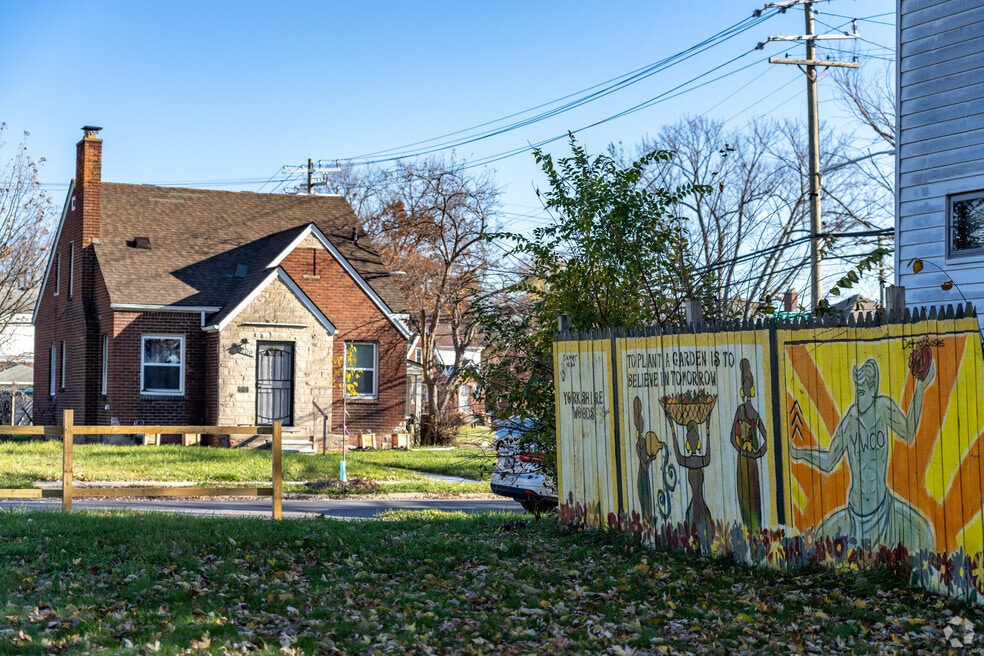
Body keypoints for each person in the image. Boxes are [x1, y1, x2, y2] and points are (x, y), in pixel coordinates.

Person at [790, 356, 935, 551]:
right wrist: (799, 454)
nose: (858, 398)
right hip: (855, 516)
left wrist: (920, 388)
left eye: (861, 392)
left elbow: (909, 432)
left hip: (885, 513)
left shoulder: (883, 408)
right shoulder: (851, 420)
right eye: (856, 392)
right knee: (820, 544)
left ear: (873, 389)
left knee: (923, 536)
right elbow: (829, 461)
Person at [730, 358, 767, 533]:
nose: (746, 389)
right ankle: (747, 529)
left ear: (751, 389)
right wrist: (742, 450)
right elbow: (732, 437)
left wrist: (757, 454)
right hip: (742, 461)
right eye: (744, 385)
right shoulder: (740, 410)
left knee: (754, 496)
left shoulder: (754, 413)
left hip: (751, 463)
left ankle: (756, 530)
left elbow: (766, 438)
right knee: (743, 494)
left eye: (748, 386)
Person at [672, 419, 712, 533]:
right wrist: (672, 429)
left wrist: (708, 429)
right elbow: (678, 455)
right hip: (697, 504)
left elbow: (678, 455)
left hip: (697, 504)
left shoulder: (694, 461)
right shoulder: (699, 460)